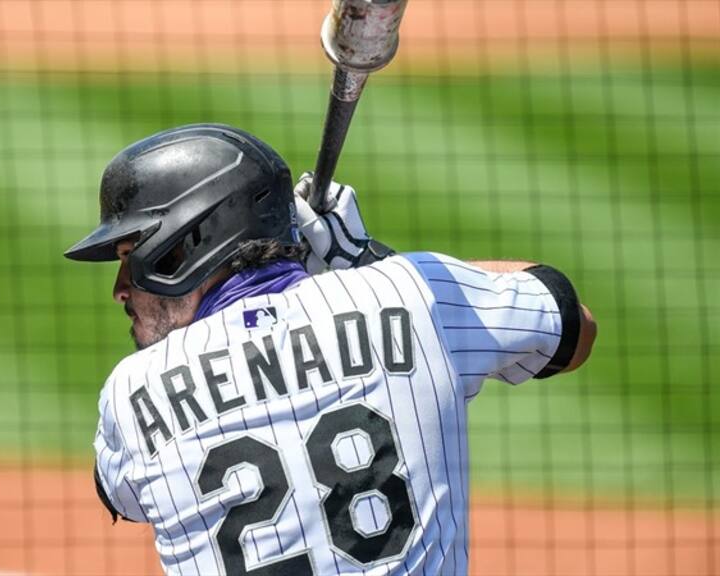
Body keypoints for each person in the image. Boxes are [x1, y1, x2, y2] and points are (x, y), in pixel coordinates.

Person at [65, 123, 596, 576]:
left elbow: (122, 497)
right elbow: (574, 328)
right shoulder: (409, 295)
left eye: (129, 254)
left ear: (186, 245)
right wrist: (366, 260)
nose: (120, 287)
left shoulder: (130, 394)